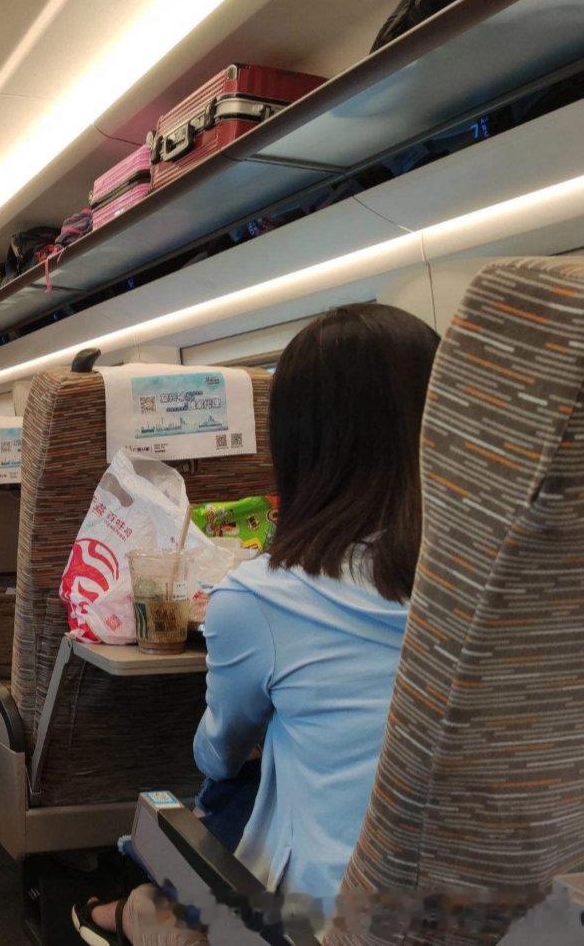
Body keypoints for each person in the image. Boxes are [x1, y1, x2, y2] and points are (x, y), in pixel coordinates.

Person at [78, 304, 441, 943]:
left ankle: (132, 905)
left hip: (330, 924)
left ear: (297, 443)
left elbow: (216, 754)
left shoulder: (260, 597)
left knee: (233, 781)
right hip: (521, 915)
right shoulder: (518, 587)